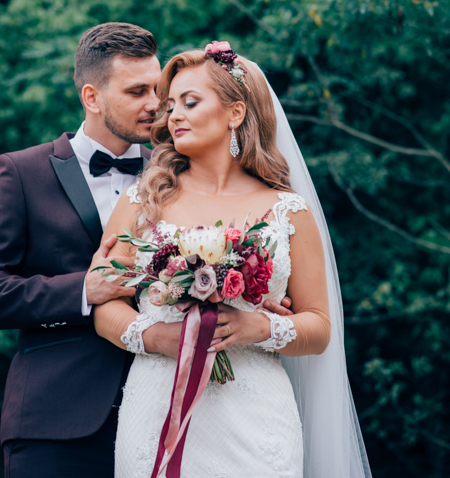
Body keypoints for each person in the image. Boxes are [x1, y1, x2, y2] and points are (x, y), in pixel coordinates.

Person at [94, 44, 372, 478]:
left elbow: (319, 327)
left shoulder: (287, 211)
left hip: (256, 416)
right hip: (157, 406)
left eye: (189, 102)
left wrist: (258, 327)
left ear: (235, 112)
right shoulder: (142, 201)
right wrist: (156, 336)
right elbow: (104, 306)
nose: (173, 115)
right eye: (171, 106)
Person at [0, 22, 162, 478]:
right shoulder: (22, 172)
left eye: (157, 89)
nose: (154, 104)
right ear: (92, 97)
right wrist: (83, 290)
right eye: (137, 91)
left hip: (163, 418)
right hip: (55, 424)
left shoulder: (175, 177)